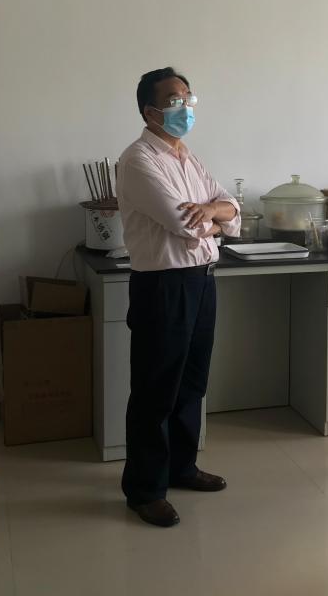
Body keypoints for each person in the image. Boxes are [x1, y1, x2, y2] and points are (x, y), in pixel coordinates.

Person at [116, 66, 241, 528]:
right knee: (156, 389)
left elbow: (233, 209)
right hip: (163, 286)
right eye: (174, 100)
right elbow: (183, 224)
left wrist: (213, 212)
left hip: (201, 280)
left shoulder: (188, 158)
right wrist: (214, 219)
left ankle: (181, 467)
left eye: (188, 98)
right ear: (149, 111)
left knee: (192, 382)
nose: (185, 107)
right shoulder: (139, 160)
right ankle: (145, 489)